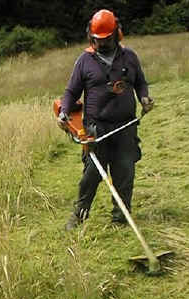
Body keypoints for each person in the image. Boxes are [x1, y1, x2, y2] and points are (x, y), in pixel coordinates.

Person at [57, 9, 154, 230]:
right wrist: (64, 112)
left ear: (117, 34)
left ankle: (121, 218)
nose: (102, 43)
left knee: (124, 172)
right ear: (91, 36)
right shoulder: (84, 61)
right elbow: (71, 92)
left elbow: (140, 82)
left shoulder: (129, 57)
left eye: (107, 39)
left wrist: (144, 97)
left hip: (125, 126)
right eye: (97, 39)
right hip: (96, 129)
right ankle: (79, 216)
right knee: (92, 174)